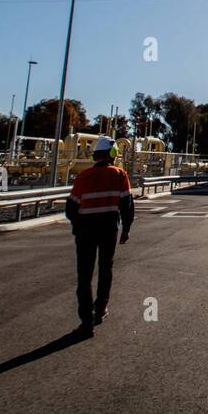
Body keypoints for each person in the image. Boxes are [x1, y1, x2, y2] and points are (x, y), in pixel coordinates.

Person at [65, 136, 134, 337]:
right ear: (113, 154)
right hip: (108, 228)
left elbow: (71, 208)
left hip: (85, 230)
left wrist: (77, 225)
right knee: (105, 268)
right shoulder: (120, 175)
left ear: (95, 155)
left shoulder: (83, 177)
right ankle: (101, 308)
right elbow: (127, 206)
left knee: (84, 275)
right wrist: (126, 229)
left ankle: (86, 321)